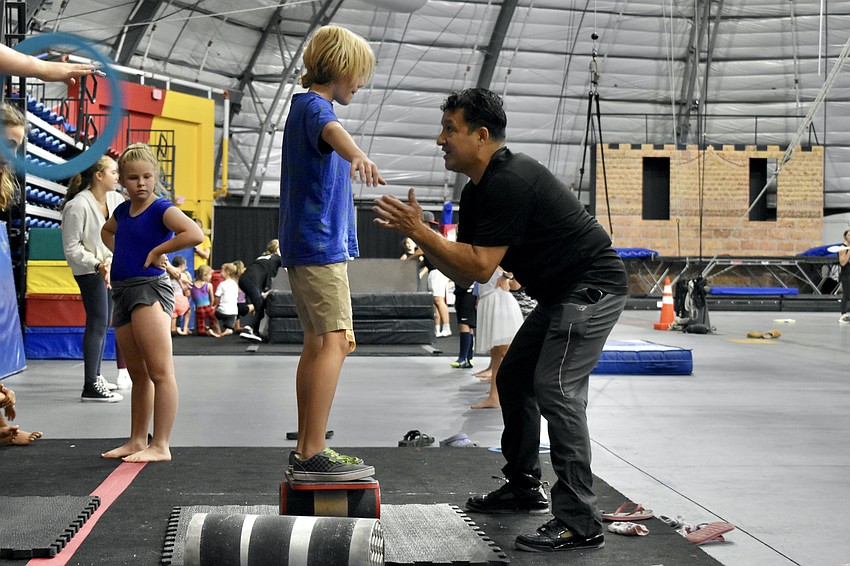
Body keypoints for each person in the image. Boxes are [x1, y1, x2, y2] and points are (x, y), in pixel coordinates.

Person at [374, 87, 628, 553]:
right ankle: (523, 486)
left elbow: (480, 266)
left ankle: (579, 520)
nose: (439, 139)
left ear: (482, 135)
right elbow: (465, 271)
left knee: (556, 386)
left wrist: (421, 232)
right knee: (513, 378)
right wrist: (426, 238)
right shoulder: (477, 192)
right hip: (559, 294)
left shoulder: (511, 179)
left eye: (450, 129)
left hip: (592, 286)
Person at [279, 24, 384, 481]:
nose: (360, 84)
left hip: (309, 243)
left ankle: (307, 445)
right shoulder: (315, 107)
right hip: (318, 245)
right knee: (337, 341)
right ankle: (313, 449)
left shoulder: (305, 106)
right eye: (358, 75)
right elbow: (333, 130)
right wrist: (357, 153)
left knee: (318, 342)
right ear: (339, 69)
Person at [99, 143, 204, 462]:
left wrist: (159, 252)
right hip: (123, 290)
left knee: (159, 371)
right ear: (123, 182)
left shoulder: (161, 208)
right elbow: (107, 232)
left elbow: (194, 233)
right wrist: (122, 254)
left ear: (155, 177)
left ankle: (161, 444)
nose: (140, 183)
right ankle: (135, 439)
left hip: (149, 290)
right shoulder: (121, 211)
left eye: (146, 176)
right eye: (132, 178)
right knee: (137, 372)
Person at [61, 156, 132, 401]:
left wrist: (112, 261)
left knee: (105, 321)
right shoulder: (77, 206)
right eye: (113, 172)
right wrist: (98, 264)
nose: (118, 176)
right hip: (89, 270)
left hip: (110, 267)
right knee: (98, 320)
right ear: (99, 175)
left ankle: (97, 375)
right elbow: (72, 248)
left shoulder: (115, 200)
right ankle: (90, 384)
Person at [471, 268, 523, 409]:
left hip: (498, 301)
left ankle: (503, 394)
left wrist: (506, 276)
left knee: (503, 352)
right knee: (497, 353)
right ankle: (495, 395)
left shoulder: (496, 249)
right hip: (490, 298)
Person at [238, 239, 281, 342]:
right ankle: (250, 328)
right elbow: (269, 275)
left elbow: (262, 274)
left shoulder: (263, 258)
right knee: (260, 305)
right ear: (277, 250)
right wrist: (267, 289)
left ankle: (255, 332)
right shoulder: (275, 258)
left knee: (259, 304)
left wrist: (262, 290)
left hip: (244, 280)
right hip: (251, 282)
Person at [420, 211, 452, 337]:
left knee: (439, 299)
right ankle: (437, 328)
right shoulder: (432, 234)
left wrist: (409, 260)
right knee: (435, 300)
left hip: (438, 270)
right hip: (434, 270)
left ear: (426, 223)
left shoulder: (431, 235)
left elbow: (421, 251)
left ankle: (447, 327)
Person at [450, 281, 476, 368]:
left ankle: (462, 358)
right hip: (464, 293)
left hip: (467, 293)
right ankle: (469, 358)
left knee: (464, 324)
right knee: (469, 325)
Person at [191, 264, 220, 337]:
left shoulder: (193, 284)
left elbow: (193, 296)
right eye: (210, 275)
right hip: (207, 307)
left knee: (200, 321)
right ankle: (213, 329)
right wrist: (211, 305)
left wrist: (196, 304)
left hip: (198, 308)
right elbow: (211, 297)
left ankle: (202, 330)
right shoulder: (208, 285)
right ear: (204, 275)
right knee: (213, 318)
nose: (211, 277)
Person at [166, 255, 192, 335]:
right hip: (179, 300)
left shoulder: (168, 274)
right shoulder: (183, 275)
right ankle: (185, 328)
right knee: (188, 310)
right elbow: (187, 292)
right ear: (183, 265)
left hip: (170, 299)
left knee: (173, 314)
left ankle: (172, 328)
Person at [214, 262, 240, 337]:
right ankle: (228, 330)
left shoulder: (222, 284)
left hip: (222, 311)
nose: (220, 273)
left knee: (212, 314)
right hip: (233, 312)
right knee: (229, 327)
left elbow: (217, 297)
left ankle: (217, 330)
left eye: (222, 271)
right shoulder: (235, 284)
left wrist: (214, 306)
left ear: (227, 272)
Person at [839, 229, 850, 324]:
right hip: (846, 274)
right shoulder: (843, 247)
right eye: (849, 235)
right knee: (846, 294)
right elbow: (843, 262)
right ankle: (843, 314)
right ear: (845, 237)